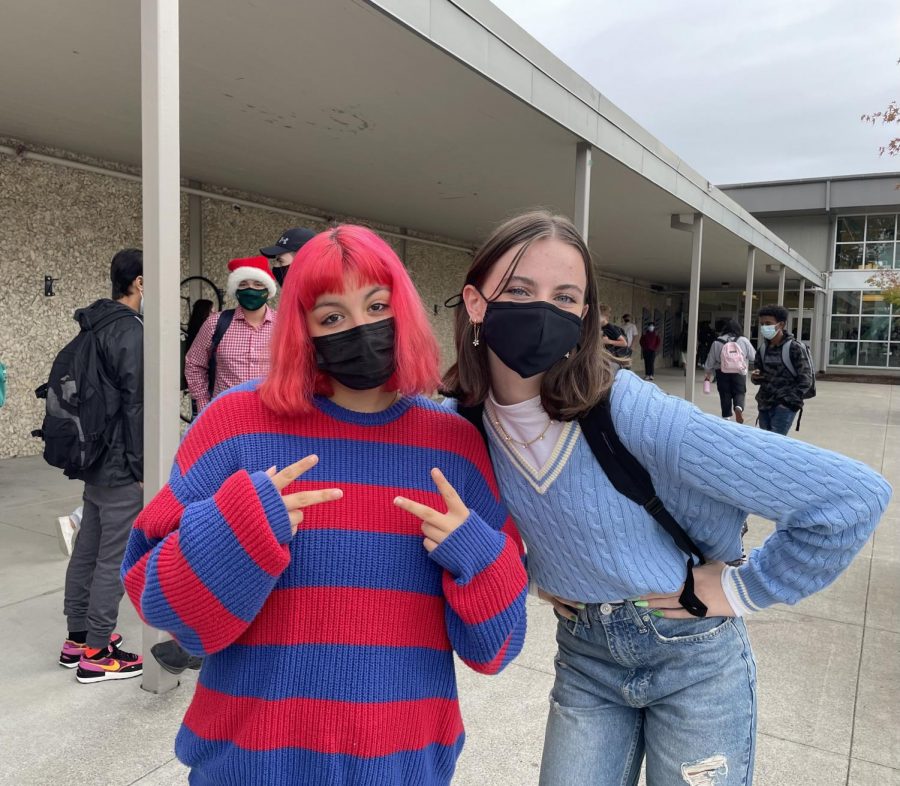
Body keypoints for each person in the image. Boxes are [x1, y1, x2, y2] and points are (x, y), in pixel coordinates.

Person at [441, 210, 890, 786]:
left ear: (583, 316)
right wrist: (531, 570)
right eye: (521, 290)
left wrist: (743, 586)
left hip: (694, 656)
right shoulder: (460, 424)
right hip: (585, 658)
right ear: (477, 304)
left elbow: (851, 496)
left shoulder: (628, 408)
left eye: (565, 296)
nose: (543, 310)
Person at [121, 225, 527, 785]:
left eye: (377, 305)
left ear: (403, 311)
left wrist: (478, 556)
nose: (360, 328)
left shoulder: (452, 443)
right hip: (247, 767)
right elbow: (160, 604)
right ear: (301, 328)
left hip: (403, 769)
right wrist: (236, 535)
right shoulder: (235, 425)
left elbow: (498, 649)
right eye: (332, 316)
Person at [58, 248, 145, 683]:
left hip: (92, 457)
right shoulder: (129, 330)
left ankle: (75, 639)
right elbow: (137, 404)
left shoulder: (94, 324)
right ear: (140, 283)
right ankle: (97, 651)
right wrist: (142, 465)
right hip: (118, 463)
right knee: (114, 555)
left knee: (88, 548)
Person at [185, 256, 278, 412]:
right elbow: (194, 364)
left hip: (272, 417)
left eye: (257, 284)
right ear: (236, 291)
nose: (251, 290)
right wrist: (204, 406)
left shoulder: (284, 325)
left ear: (268, 291)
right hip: (225, 415)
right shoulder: (215, 323)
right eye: (243, 284)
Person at [751, 304, 813, 435]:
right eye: (761, 324)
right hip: (764, 404)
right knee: (764, 442)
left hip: (784, 406)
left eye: (768, 323)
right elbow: (759, 374)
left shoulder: (795, 348)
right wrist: (756, 376)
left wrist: (787, 403)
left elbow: (806, 380)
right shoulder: (763, 349)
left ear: (781, 325)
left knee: (775, 445)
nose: (764, 327)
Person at [704, 318, 756, 423]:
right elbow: (753, 356)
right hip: (739, 372)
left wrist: (708, 374)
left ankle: (726, 417)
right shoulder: (743, 340)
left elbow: (710, 361)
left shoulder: (717, 342)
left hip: (721, 372)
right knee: (740, 392)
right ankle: (738, 407)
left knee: (725, 394)